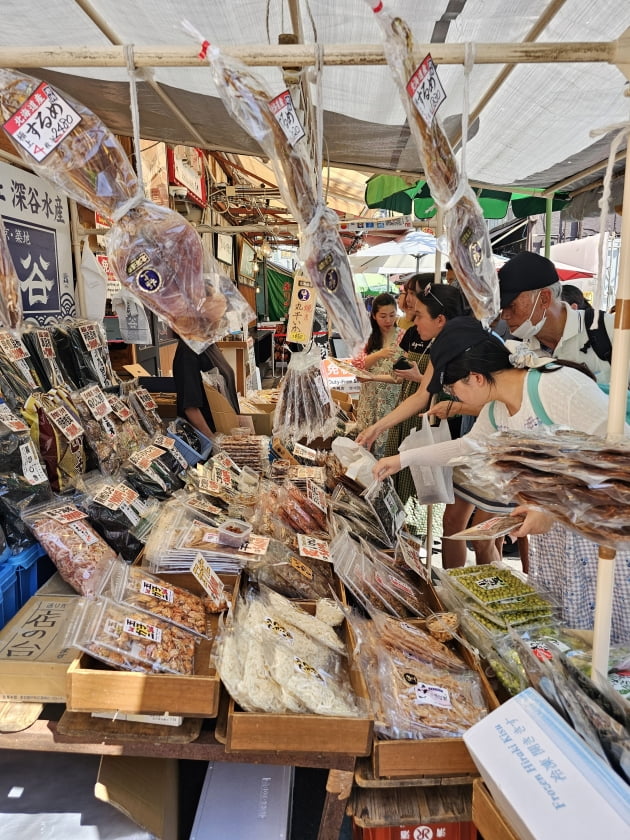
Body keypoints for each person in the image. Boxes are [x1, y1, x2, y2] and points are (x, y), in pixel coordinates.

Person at [372, 316, 630, 642]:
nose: (453, 397)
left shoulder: (557, 386)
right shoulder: (496, 410)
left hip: (604, 537)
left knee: (610, 647)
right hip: (556, 543)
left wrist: (554, 507)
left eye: (452, 388)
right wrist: (402, 460)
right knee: (568, 640)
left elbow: (619, 456)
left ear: (476, 378)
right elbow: (470, 446)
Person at [498, 250, 615, 384]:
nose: (504, 315)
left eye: (511, 305)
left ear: (544, 299)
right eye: (502, 307)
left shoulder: (608, 331)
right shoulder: (519, 353)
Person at [352, 292, 405, 458]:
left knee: (387, 446)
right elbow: (358, 367)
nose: (388, 320)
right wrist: (379, 354)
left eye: (392, 315)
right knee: (366, 445)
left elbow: (402, 376)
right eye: (383, 316)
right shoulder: (367, 337)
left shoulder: (403, 336)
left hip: (392, 402)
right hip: (369, 401)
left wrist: (373, 376)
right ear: (374, 316)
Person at [172, 336, 240, 441]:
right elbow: (190, 407)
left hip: (225, 435)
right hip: (206, 441)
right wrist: (213, 442)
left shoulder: (210, 343)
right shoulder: (188, 351)